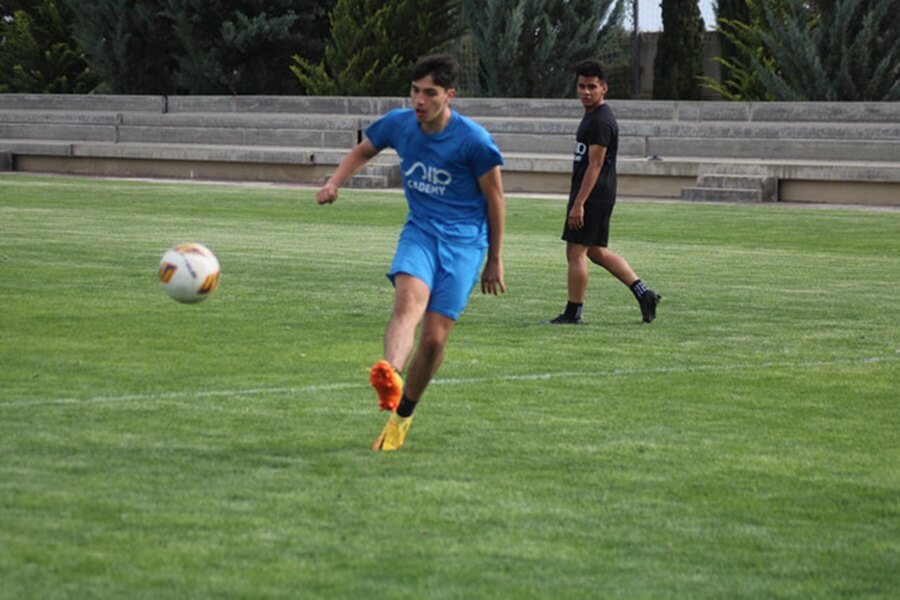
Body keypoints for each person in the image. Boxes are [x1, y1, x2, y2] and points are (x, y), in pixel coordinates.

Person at [316, 54, 506, 452]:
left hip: (465, 244)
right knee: (407, 304)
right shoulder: (399, 124)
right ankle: (391, 374)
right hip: (420, 232)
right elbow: (362, 151)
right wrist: (334, 182)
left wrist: (495, 259)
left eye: (430, 93)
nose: (419, 100)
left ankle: (402, 417)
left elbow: (496, 199)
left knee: (435, 340)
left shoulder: (474, 141)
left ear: (449, 95)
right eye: (415, 91)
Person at [549, 59, 660, 325]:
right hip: (598, 194)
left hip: (593, 195)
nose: (586, 92)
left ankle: (573, 313)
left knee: (575, 253)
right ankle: (644, 294)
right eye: (581, 86)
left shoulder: (600, 121)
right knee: (596, 251)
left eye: (592, 87)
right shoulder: (593, 116)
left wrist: (579, 204)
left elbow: (595, 165)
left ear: (604, 88)